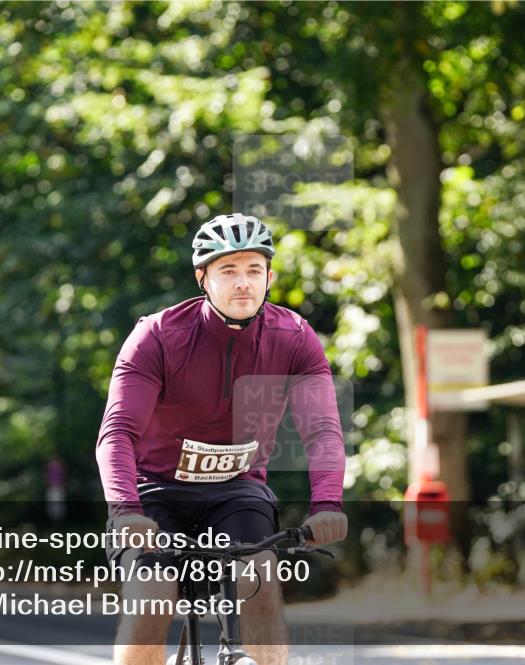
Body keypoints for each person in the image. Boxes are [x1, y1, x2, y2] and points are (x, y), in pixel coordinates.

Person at [95, 213, 348, 665]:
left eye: (254, 270)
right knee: (152, 597)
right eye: (228, 271)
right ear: (203, 279)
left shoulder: (295, 339)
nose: (243, 283)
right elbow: (117, 434)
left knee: (260, 577)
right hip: (154, 489)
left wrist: (327, 504)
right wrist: (126, 512)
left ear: (269, 277)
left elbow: (322, 430)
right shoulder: (155, 337)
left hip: (237, 489)